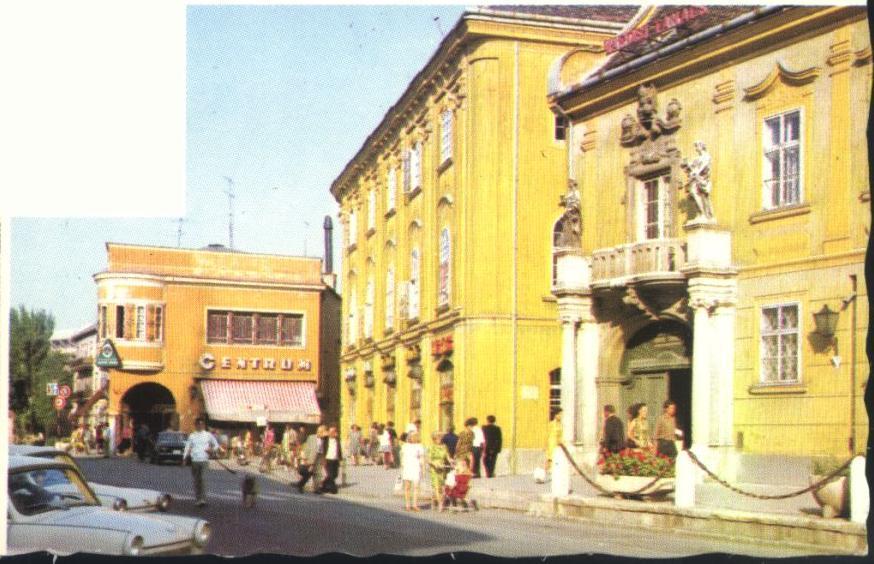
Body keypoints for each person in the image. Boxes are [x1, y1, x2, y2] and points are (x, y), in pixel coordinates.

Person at [183, 417, 219, 507]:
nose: (200, 426)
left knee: (202, 479)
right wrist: (184, 458)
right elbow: (187, 447)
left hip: (204, 460)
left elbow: (216, 445)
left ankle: (203, 499)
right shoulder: (192, 436)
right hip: (195, 461)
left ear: (204, 425)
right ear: (195, 425)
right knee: (196, 480)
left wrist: (211, 450)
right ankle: (198, 498)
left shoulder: (208, 435)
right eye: (198, 424)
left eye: (201, 424)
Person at [296, 425, 327, 494]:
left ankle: (316, 489)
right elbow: (307, 448)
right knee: (309, 473)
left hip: (319, 456)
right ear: (319, 432)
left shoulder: (324, 439)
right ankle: (301, 484)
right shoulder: (311, 437)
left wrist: (323, 458)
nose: (323, 434)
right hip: (312, 457)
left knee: (318, 473)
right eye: (322, 432)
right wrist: (305, 458)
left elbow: (323, 449)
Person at [400, 431, 425, 511]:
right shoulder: (405, 446)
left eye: (415, 436)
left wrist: (423, 469)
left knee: (416, 486)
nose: (414, 438)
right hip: (407, 467)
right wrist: (402, 466)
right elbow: (402, 456)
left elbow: (422, 458)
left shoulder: (419, 446)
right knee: (407, 487)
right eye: (412, 436)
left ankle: (415, 504)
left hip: (416, 467)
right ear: (409, 437)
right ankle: (407, 505)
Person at [427, 431, 452, 511]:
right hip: (434, 469)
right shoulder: (431, 447)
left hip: (442, 468)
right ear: (434, 439)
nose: (440, 439)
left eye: (441, 438)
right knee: (437, 486)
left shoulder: (444, 446)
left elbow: (448, 457)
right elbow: (428, 459)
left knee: (443, 487)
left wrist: (452, 461)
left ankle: (441, 500)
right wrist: (434, 463)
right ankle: (440, 503)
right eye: (438, 438)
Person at [321, 425, 343, 493]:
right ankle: (333, 489)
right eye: (331, 431)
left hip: (335, 459)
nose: (333, 433)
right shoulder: (325, 439)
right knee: (330, 475)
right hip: (328, 459)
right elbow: (321, 435)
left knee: (335, 475)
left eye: (334, 431)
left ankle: (324, 485)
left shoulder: (337, 439)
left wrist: (340, 458)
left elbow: (339, 449)